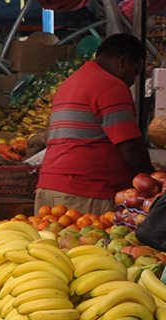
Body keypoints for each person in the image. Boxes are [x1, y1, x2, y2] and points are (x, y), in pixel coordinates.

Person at [36, 33, 156, 215]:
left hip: (49, 191)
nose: (133, 81)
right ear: (122, 61)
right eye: (134, 72)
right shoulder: (111, 86)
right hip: (86, 195)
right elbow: (130, 147)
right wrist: (155, 180)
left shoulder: (71, 83)